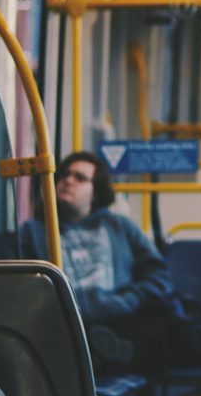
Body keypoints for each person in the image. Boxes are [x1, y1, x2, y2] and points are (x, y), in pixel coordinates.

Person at [13, 151, 175, 376]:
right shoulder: (34, 232)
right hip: (59, 322)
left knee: (121, 334)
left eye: (80, 178)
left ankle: (102, 354)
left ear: (95, 192)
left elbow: (160, 277)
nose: (68, 180)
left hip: (115, 319)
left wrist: (127, 300)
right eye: (65, 175)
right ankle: (97, 355)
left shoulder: (120, 228)